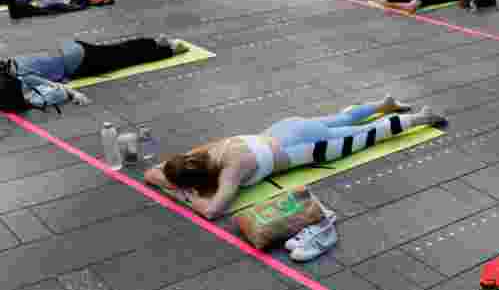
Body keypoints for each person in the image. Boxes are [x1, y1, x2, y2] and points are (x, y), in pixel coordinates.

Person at [143, 96, 446, 220]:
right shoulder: (203, 153)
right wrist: (174, 182)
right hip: (287, 128)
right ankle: (384, 103)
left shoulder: (230, 171)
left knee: (364, 136)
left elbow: (212, 211)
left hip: (304, 147)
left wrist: (182, 194)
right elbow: (151, 173)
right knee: (342, 120)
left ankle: (421, 118)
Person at [0, 37, 187, 111]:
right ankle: (155, 41)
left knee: (127, 58)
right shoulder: (18, 60)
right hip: (73, 47)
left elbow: (55, 86)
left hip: (78, 63)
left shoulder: (23, 75)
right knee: (120, 49)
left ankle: (170, 51)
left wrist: (76, 94)